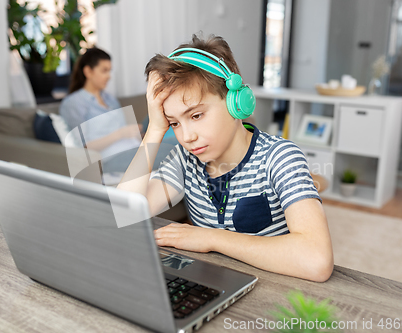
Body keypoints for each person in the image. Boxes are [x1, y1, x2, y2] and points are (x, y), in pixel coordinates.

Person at [117, 34, 334, 282]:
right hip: (213, 285)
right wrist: (155, 130)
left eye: (196, 115)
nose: (187, 137)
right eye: (174, 123)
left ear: (236, 104)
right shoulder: (185, 160)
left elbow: (316, 260)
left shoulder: (280, 157)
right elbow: (123, 214)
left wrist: (210, 238)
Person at [59, 47, 141, 159]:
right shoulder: (73, 103)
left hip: (133, 150)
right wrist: (120, 134)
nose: (109, 76)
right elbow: (83, 147)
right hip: (110, 159)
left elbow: (125, 131)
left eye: (109, 71)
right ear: (88, 71)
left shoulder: (111, 99)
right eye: (104, 70)